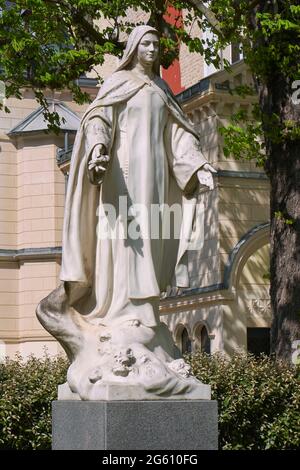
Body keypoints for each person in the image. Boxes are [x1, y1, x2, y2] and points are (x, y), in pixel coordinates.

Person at [37, 25, 215, 400]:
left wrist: (196, 164)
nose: (151, 49)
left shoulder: (162, 91)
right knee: (122, 242)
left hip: (155, 179)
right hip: (122, 176)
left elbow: (179, 135)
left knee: (150, 241)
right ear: (134, 49)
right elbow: (98, 119)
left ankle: (146, 314)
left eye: (155, 44)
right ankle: (118, 311)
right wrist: (99, 148)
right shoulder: (117, 82)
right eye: (145, 44)